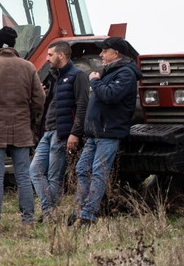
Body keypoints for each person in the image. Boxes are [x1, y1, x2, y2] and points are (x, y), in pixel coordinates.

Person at [0, 27, 45, 232]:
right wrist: (29, 118)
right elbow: (39, 99)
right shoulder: (28, 67)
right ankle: (27, 221)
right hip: (21, 128)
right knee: (23, 175)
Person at [71, 36, 139, 227]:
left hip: (108, 133)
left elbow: (110, 95)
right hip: (96, 132)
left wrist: (95, 82)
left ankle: (88, 215)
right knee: (82, 169)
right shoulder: (111, 72)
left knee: (99, 172)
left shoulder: (125, 74)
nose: (101, 54)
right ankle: (79, 210)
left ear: (115, 53)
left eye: (104, 51)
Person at [31, 41, 89, 221]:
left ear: (61, 55)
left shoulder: (78, 75)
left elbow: (82, 105)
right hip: (47, 131)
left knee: (55, 176)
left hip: (62, 133)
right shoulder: (53, 77)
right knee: (34, 170)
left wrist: (75, 133)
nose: (47, 59)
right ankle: (50, 212)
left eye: (50, 55)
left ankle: (49, 214)